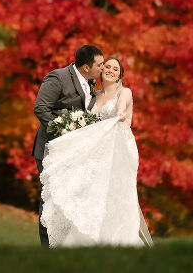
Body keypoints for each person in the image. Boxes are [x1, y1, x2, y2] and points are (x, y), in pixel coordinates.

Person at [39, 56, 153, 247]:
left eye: (115, 69)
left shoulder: (124, 92)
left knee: (114, 193)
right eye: (106, 66)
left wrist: (120, 113)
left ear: (120, 74)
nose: (110, 70)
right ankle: (89, 236)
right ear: (100, 71)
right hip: (97, 151)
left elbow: (121, 106)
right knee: (92, 192)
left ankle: (118, 240)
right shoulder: (95, 95)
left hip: (119, 149)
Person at [32, 45, 104, 248]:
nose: (103, 68)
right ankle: (47, 248)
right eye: (99, 65)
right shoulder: (58, 77)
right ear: (86, 67)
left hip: (75, 154)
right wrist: (65, 128)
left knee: (69, 199)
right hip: (51, 150)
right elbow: (41, 108)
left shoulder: (90, 82)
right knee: (52, 199)